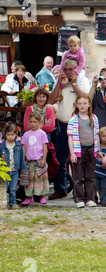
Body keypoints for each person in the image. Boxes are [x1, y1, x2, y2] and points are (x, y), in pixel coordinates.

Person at [48, 58, 91, 200]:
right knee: (59, 159)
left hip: (78, 127)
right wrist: (59, 85)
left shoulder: (82, 81)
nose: (67, 72)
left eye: (70, 70)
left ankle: (80, 193)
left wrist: (73, 84)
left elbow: (85, 100)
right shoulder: (60, 81)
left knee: (79, 159)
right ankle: (61, 189)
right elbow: (52, 100)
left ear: (75, 70)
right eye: (65, 70)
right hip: (62, 125)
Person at [68, 94, 100, 208]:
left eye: (84, 103)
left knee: (90, 176)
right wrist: (72, 153)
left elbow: (96, 135)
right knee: (78, 177)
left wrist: (98, 150)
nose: (82, 105)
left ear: (89, 105)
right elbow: (70, 137)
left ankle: (89, 198)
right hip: (78, 150)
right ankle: (79, 199)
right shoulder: (73, 119)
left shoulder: (94, 118)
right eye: (80, 103)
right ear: (76, 105)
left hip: (91, 150)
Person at [20, 111, 50, 205]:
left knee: (40, 179)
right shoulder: (26, 134)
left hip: (39, 160)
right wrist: (23, 159)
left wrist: (44, 159)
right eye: (31, 122)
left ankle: (42, 196)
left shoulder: (42, 134)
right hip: (29, 161)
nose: (33, 124)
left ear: (40, 122)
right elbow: (23, 147)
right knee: (28, 180)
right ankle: (29, 197)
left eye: (35, 122)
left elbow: (45, 147)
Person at [0, 123, 26, 209]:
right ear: (5, 135)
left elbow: (21, 158)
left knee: (13, 188)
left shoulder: (18, 146)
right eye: (8, 134)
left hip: (15, 170)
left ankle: (13, 203)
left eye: (12, 134)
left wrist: (22, 168)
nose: (10, 137)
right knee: (5, 188)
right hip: (5, 170)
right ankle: (4, 203)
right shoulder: (2, 146)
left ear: (16, 135)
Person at [94, 126, 106, 207]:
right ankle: (101, 200)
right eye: (104, 136)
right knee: (98, 187)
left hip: (104, 173)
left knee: (104, 188)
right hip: (96, 172)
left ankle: (104, 201)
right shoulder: (97, 148)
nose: (105, 138)